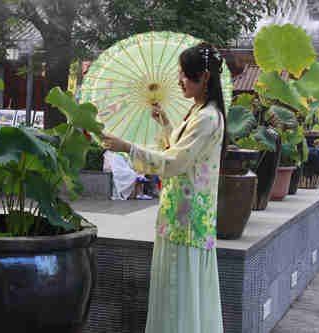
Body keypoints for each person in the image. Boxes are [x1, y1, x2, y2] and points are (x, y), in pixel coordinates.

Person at [102, 42, 226, 333]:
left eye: (185, 74)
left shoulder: (207, 117)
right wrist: (167, 124)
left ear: (204, 77)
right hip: (179, 216)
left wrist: (128, 147)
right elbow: (183, 153)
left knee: (178, 293)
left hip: (188, 220)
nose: (180, 80)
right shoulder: (199, 113)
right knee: (177, 292)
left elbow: (175, 162)